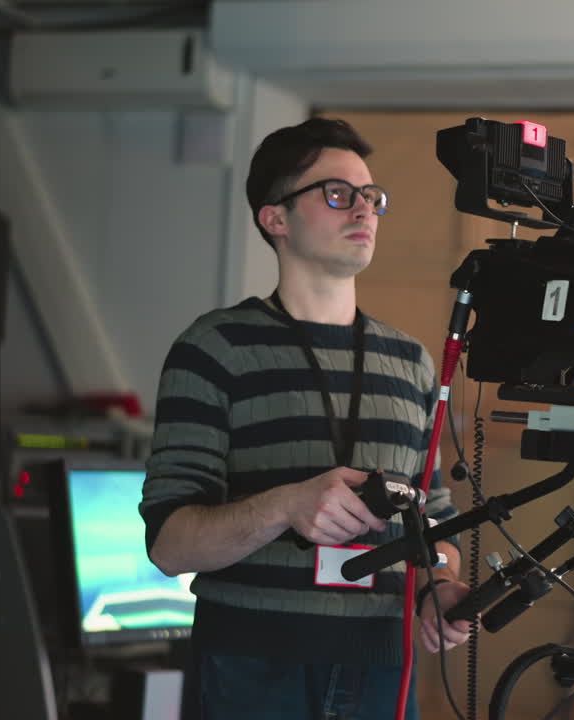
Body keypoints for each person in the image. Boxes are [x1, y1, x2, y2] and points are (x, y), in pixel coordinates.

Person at [139, 117, 471, 719]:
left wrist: (439, 586)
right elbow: (168, 544)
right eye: (338, 195)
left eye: (372, 198)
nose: (364, 211)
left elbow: (435, 519)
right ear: (276, 219)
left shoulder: (413, 364)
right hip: (252, 670)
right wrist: (286, 505)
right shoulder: (215, 348)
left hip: (383, 669)